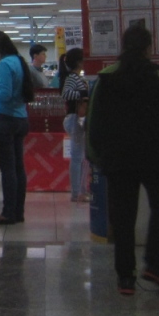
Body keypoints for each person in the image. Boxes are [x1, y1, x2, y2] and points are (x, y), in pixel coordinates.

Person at [86, 25, 159, 296]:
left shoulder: (106, 78)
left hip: (118, 160)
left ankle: (125, 277)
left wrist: (94, 156)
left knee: (122, 218)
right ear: (148, 48)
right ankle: (155, 265)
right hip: (157, 157)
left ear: (122, 46)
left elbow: (93, 121)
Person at [0, 31, 34, 225]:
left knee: (8, 169)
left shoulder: (4, 65)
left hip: (4, 120)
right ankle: (18, 212)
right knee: (18, 168)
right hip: (20, 119)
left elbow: (4, 94)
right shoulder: (19, 61)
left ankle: (8, 213)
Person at [60, 48, 90, 203]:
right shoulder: (73, 77)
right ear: (79, 62)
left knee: (80, 157)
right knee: (78, 157)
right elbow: (66, 94)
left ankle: (80, 190)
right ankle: (77, 192)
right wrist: (84, 94)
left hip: (75, 119)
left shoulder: (75, 77)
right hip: (75, 119)